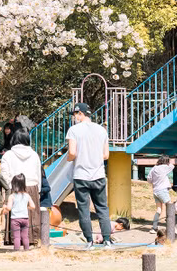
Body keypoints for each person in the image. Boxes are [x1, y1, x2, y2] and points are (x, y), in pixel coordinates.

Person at [66, 102, 112, 248]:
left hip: (81, 175)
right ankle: (107, 240)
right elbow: (106, 155)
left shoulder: (74, 130)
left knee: (84, 209)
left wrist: (68, 159)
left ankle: (89, 241)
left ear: (80, 113)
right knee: (102, 208)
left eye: (75, 114)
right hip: (98, 174)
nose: (74, 117)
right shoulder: (102, 130)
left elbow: (72, 152)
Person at [0, 128, 42, 244]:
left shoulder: (8, 155)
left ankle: (13, 238)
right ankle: (32, 238)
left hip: (14, 187)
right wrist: (38, 190)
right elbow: (38, 174)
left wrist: (8, 187)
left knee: (15, 214)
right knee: (31, 214)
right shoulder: (34, 155)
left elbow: (4, 174)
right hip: (32, 187)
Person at [3, 173, 35, 251]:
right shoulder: (27, 195)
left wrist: (5, 207)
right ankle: (27, 250)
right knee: (25, 237)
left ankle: (16, 251)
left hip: (15, 219)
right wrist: (26, 207)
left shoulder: (12, 196)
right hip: (25, 218)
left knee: (17, 237)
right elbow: (33, 206)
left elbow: (9, 208)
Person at [147, 155, 174, 233]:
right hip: (163, 191)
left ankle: (154, 228)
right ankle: (171, 227)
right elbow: (172, 166)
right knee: (170, 207)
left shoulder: (153, 168)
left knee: (159, 210)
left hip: (155, 191)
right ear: (166, 161)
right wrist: (168, 162)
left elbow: (149, 180)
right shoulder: (165, 167)